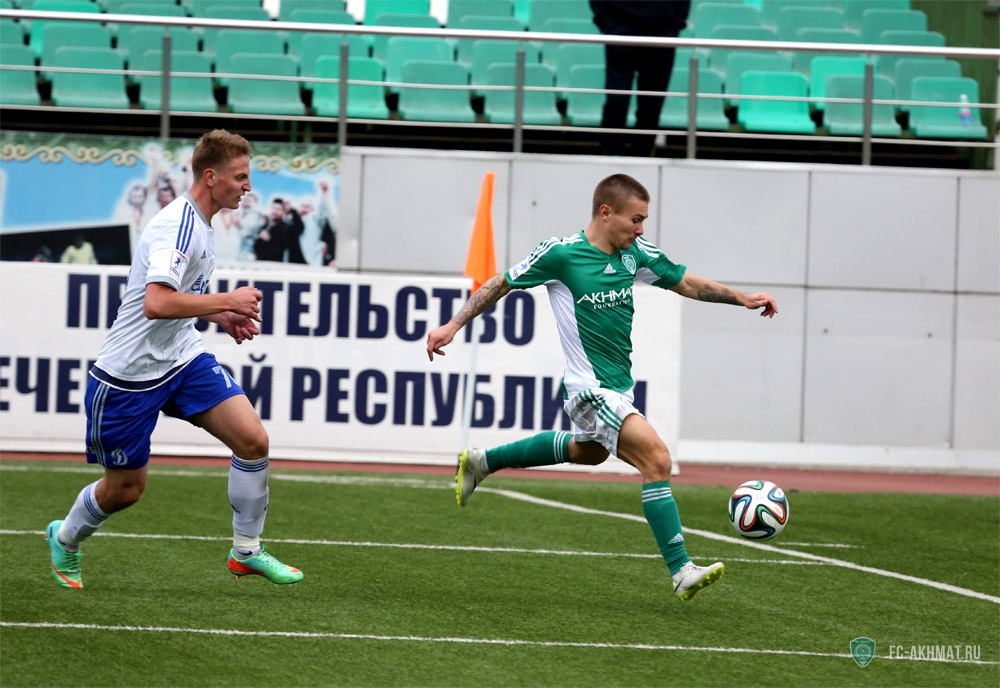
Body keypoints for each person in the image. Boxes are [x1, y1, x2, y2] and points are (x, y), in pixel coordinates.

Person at [426, 173, 777, 602]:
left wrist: (742, 298)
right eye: (636, 219)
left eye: (644, 220)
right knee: (658, 460)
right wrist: (453, 325)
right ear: (606, 213)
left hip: (618, 389)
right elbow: (500, 283)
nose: (641, 229)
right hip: (589, 390)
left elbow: (684, 282)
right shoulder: (561, 255)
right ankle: (681, 569)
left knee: (588, 453)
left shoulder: (635, 254)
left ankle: (483, 462)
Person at [45, 129, 303, 589]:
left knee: (252, 441)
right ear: (211, 177)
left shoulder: (202, 223)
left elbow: (178, 298)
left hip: (182, 358)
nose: (248, 186)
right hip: (127, 377)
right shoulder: (177, 226)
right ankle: (65, 537)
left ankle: (246, 551)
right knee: (125, 491)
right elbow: (157, 303)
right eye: (240, 177)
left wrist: (220, 314)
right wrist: (228, 299)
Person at [590, 1, 691, 157]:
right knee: (617, 98)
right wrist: (607, 24)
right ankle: (610, 154)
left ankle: (643, 154)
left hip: (661, 36)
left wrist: (675, 26)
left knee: (652, 101)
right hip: (621, 33)